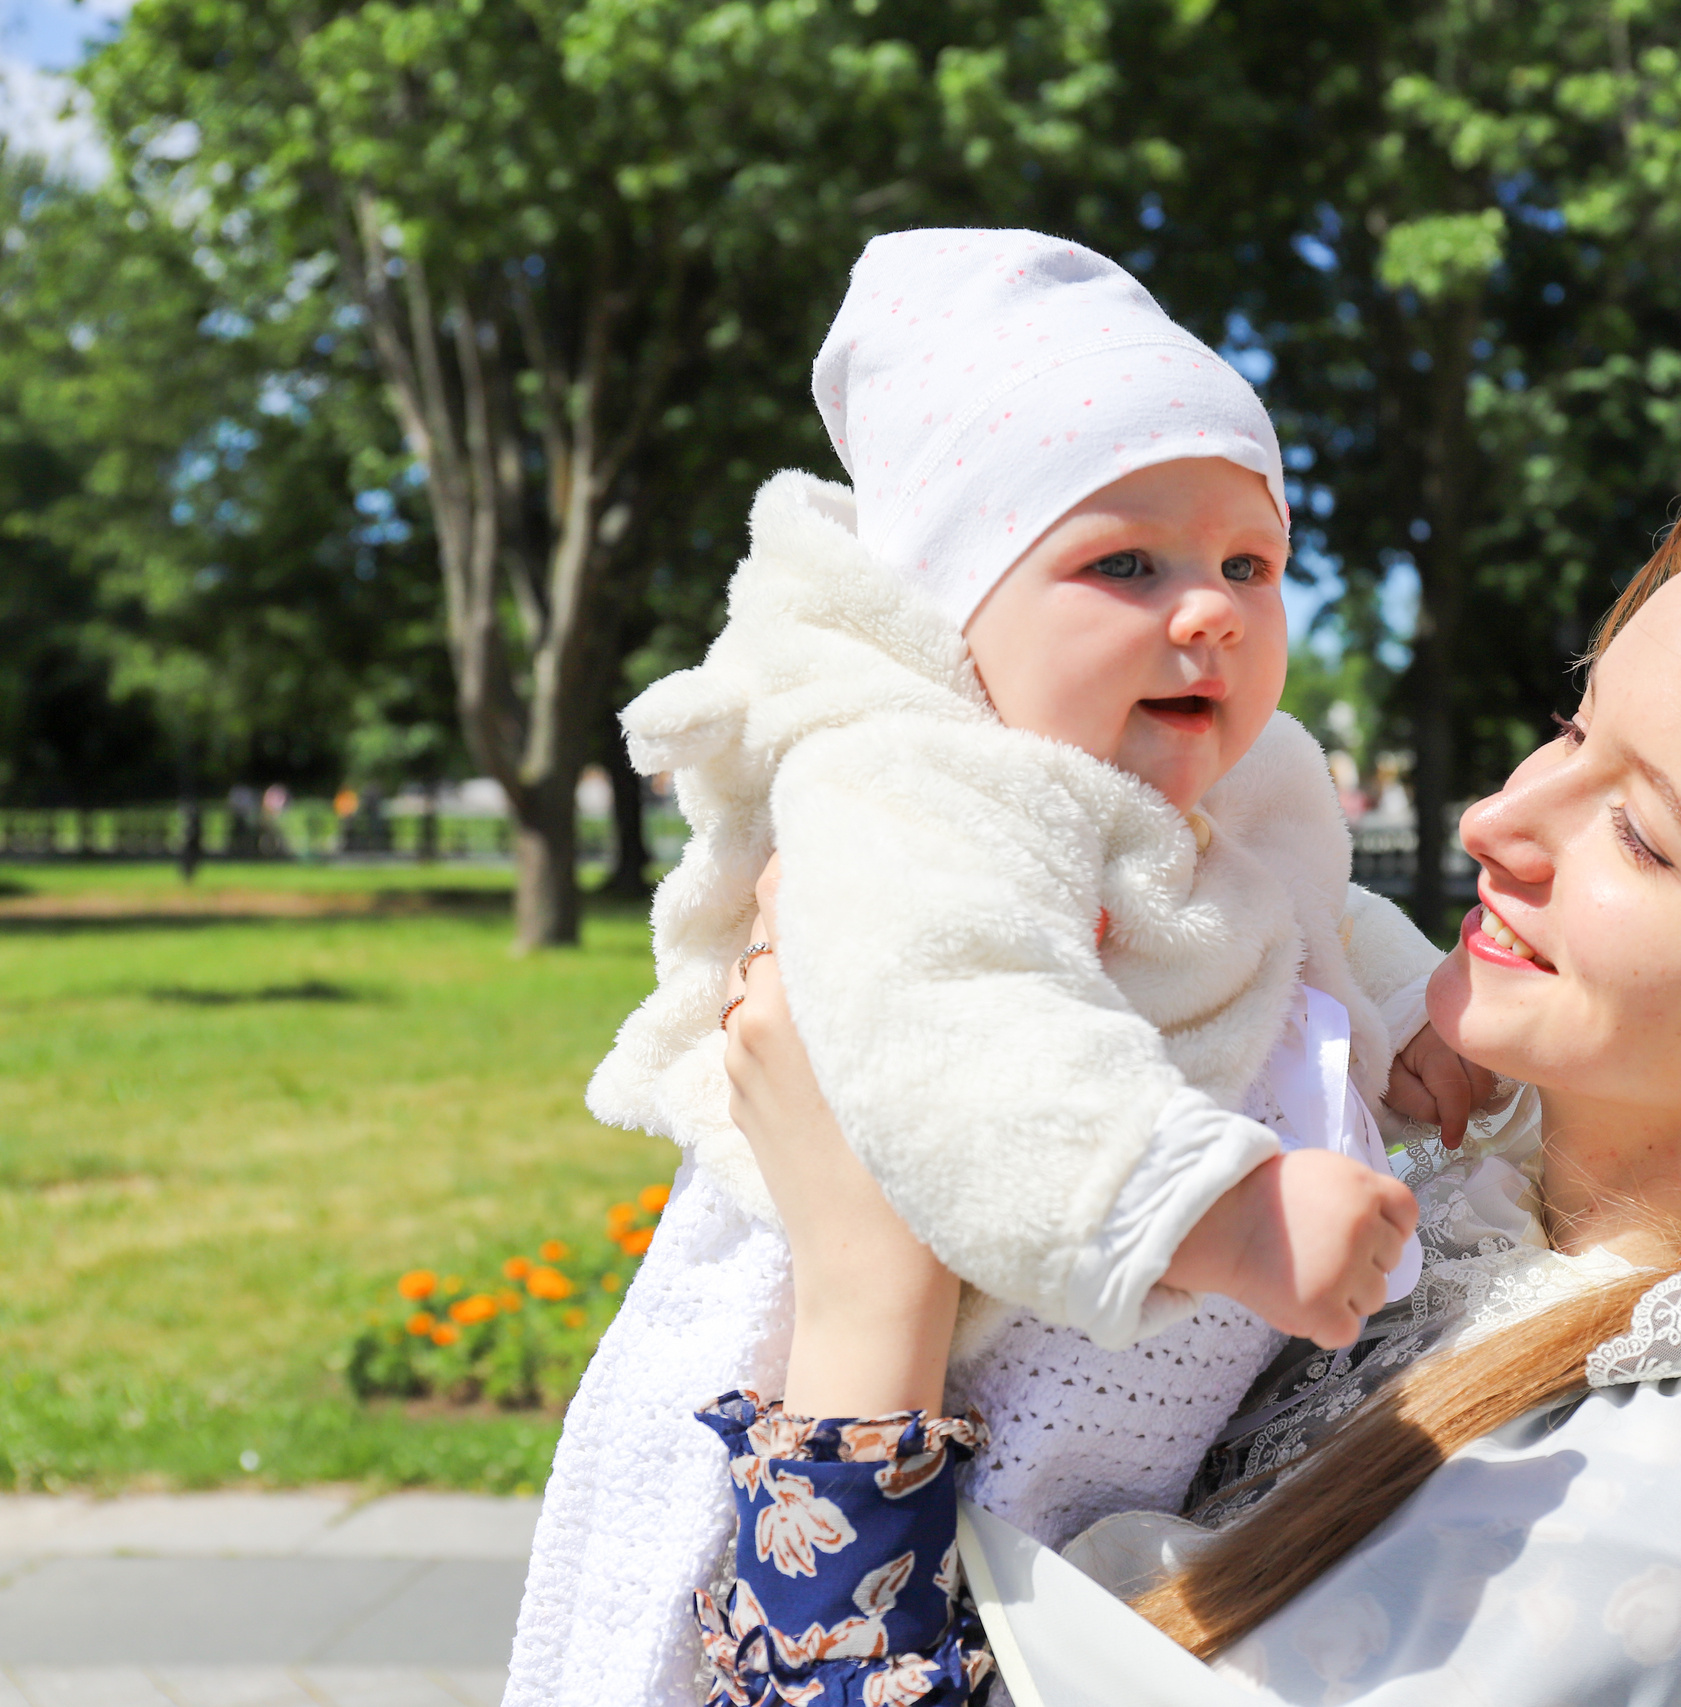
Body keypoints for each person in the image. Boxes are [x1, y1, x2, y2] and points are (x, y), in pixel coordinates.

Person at [706, 484, 1681, 1705]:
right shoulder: (1456, 1214)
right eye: (1572, 730)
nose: (1495, 819)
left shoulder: (1674, 1541)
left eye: (1641, 835)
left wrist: (864, 1295)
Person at [506, 233, 1490, 1707]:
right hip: (888, 1379)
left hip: (1093, 1415)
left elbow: (1308, 913)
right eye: (1125, 565)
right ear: (951, 606)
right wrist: (1207, 1207)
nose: (1212, 610)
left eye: (1250, 562)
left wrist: (1407, 1015)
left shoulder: (1240, 782)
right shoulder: (917, 783)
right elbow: (954, 1012)